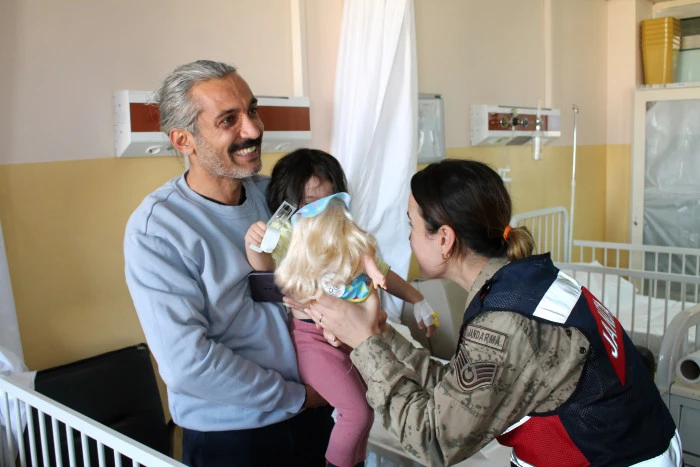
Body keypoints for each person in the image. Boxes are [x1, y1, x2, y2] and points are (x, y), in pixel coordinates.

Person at [304, 159, 683, 467]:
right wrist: (380, 333)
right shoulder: (529, 282)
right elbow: (460, 387)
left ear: (445, 239)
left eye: (412, 225)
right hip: (646, 445)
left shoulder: (506, 322)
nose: (408, 238)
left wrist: (365, 344)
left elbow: (433, 441)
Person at [123, 60, 333, 467]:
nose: (253, 130)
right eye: (228, 120)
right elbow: (188, 364)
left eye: (252, 110)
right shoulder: (158, 230)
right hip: (237, 435)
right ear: (183, 140)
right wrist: (296, 396)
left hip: (316, 407)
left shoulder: (275, 196)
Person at [244, 149, 436, 467]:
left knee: (367, 409)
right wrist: (255, 242)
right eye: (309, 203)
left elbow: (382, 272)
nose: (321, 211)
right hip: (314, 340)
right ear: (287, 205)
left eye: (330, 200)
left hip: (353, 336)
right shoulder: (289, 235)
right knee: (356, 413)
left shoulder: (344, 235)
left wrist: (417, 299)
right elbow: (263, 266)